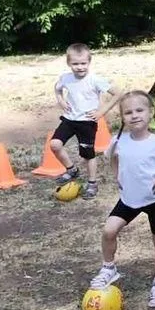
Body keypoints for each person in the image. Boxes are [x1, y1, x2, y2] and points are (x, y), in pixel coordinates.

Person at [89, 91, 155, 307]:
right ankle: (109, 268)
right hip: (128, 200)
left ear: (151, 113)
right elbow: (112, 157)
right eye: (128, 112)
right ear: (122, 117)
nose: (134, 115)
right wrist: (117, 176)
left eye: (139, 110)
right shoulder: (118, 140)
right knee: (109, 231)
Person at [51, 43, 116, 199]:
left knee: (87, 155)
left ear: (89, 62)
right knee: (55, 144)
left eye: (83, 63)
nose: (80, 67)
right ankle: (71, 170)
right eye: (75, 64)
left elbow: (118, 93)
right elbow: (57, 88)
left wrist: (101, 112)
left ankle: (92, 183)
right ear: (69, 63)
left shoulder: (95, 80)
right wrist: (61, 100)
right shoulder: (66, 78)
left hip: (87, 122)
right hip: (69, 119)